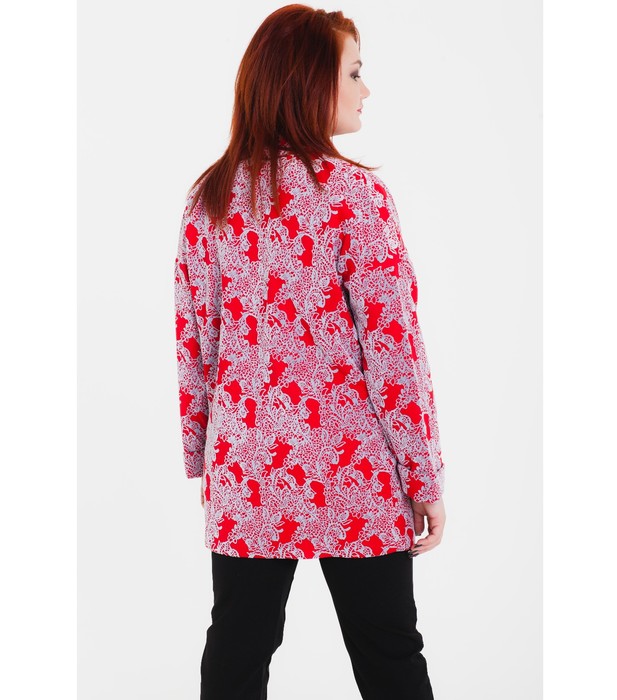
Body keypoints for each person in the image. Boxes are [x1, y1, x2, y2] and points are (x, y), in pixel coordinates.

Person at [174, 5, 447, 698]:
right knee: (390, 654)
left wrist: (206, 457)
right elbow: (395, 354)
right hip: (356, 474)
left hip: (250, 474)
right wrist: (423, 478)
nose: (365, 89)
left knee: (237, 651)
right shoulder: (356, 198)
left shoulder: (210, 199)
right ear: (310, 81)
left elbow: (195, 343)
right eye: (354, 73)